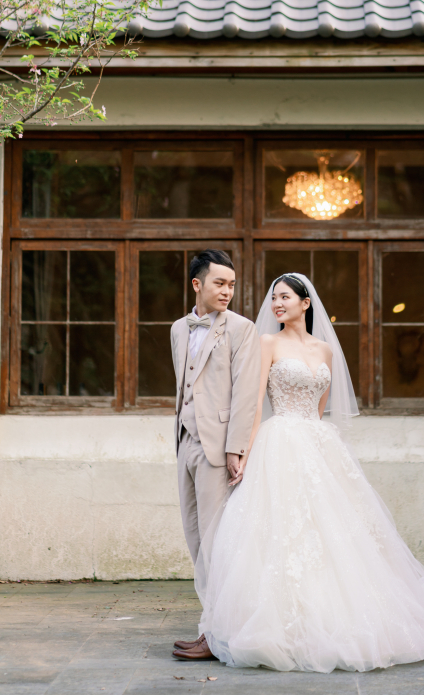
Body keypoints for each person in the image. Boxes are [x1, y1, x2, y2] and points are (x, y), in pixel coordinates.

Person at [194, 272, 424, 674]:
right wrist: (242, 451)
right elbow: (256, 403)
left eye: (285, 297)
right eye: (274, 298)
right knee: (281, 530)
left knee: (341, 531)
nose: (277, 304)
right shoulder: (266, 343)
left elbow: (322, 403)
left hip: (318, 443)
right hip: (280, 442)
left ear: (305, 304)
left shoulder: (325, 350)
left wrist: (316, 436)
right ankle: (281, 617)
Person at [170, 249, 261, 663]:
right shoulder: (178, 329)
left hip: (218, 449)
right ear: (197, 285)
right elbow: (186, 388)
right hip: (185, 443)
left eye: (231, 284)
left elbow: (246, 393)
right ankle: (210, 624)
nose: (227, 291)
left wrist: (235, 449)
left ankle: (216, 633)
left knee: (216, 543)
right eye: (220, 283)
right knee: (195, 539)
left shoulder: (242, 330)